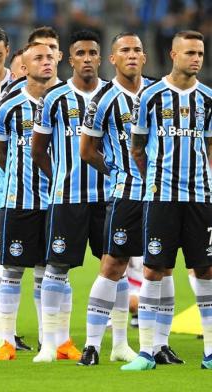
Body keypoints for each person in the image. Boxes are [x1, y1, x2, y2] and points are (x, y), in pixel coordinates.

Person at [80, 32, 182, 366]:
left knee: (163, 267)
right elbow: (86, 150)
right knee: (113, 264)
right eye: (125, 50)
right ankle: (92, 345)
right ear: (112, 59)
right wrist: (116, 171)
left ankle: (160, 345)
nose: (133, 54)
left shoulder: (159, 93)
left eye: (138, 49)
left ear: (146, 56)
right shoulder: (103, 98)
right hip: (125, 195)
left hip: (163, 195)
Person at [123, 30, 212, 371]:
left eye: (201, 53)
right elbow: (137, 148)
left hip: (200, 198)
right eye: (190, 52)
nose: (197, 58)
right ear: (173, 55)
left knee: (205, 269)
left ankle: (210, 352)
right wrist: (156, 180)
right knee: (153, 269)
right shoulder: (150, 96)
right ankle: (146, 352)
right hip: (161, 196)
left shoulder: (207, 98)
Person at [0, 25, 64, 354]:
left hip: (57, 201)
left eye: (50, 56)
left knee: (53, 269)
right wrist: (12, 183)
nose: (46, 62)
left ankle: (52, 339)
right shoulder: (6, 106)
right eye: (38, 57)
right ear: (23, 67)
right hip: (20, 199)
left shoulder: (67, 101)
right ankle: (5, 341)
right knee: (11, 270)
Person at [31, 29, 110, 363]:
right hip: (67, 198)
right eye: (81, 54)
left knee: (115, 266)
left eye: (93, 53)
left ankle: (119, 342)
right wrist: (61, 176)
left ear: (101, 57)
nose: (88, 59)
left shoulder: (113, 95)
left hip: (109, 197)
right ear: (69, 58)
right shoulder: (54, 98)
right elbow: (38, 151)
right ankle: (50, 343)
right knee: (57, 267)